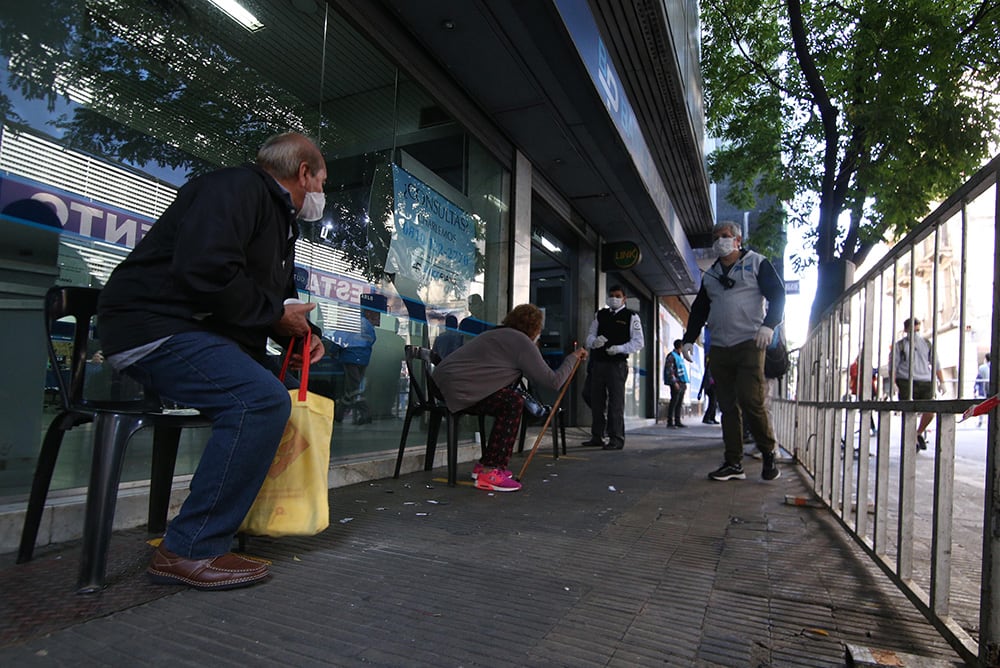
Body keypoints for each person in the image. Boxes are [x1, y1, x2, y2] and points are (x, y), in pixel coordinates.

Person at [96, 132, 328, 590]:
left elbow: (270, 299)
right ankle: (189, 548)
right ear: (304, 172)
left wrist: (302, 335)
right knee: (258, 401)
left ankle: (230, 522)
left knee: (272, 396)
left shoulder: (279, 219)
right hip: (155, 328)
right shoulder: (236, 188)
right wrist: (273, 316)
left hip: (195, 332)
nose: (321, 194)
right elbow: (205, 270)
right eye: (322, 181)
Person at [431, 304, 587, 492]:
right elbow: (553, 381)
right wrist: (574, 357)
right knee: (513, 403)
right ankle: (490, 471)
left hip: (441, 386)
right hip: (460, 390)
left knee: (507, 400)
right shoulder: (521, 342)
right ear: (535, 328)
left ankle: (485, 464)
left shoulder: (496, 333)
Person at [681, 220, 785, 481]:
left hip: (750, 342)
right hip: (720, 347)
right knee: (727, 407)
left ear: (738, 240)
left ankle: (768, 450)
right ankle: (733, 462)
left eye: (725, 236)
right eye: (716, 237)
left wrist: (769, 325)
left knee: (751, 401)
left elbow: (778, 294)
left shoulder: (756, 263)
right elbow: (699, 310)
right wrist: (689, 339)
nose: (720, 241)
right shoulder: (712, 275)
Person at [582, 285, 645, 450]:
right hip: (598, 363)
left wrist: (620, 348)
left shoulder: (631, 317)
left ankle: (616, 438)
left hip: (616, 365)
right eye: (611, 296)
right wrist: (593, 343)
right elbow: (589, 335)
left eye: (618, 296)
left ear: (624, 298)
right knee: (596, 400)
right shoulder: (601, 314)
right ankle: (597, 436)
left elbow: (639, 342)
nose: (614, 299)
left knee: (616, 403)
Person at [890, 318, 945, 450]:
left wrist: (942, 381)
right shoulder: (900, 346)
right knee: (909, 412)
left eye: (918, 330)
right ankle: (913, 439)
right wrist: (893, 383)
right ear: (906, 330)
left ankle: (918, 432)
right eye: (913, 330)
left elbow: (935, 362)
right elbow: (894, 366)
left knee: (930, 410)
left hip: (925, 380)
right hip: (906, 380)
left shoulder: (927, 344)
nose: (915, 333)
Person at [663, 339, 689, 427]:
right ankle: (670, 422)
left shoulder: (679, 356)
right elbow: (669, 370)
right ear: (680, 347)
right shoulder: (672, 356)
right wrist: (674, 383)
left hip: (682, 382)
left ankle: (677, 421)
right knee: (674, 402)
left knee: (679, 403)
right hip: (676, 383)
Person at [975, 353, 991, 427]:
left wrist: (975, 390)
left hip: (984, 389)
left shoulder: (982, 368)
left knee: (982, 404)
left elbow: (978, 379)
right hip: (994, 389)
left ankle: (981, 421)